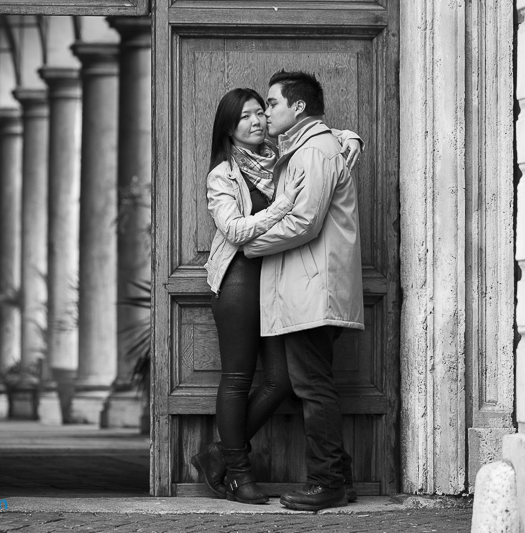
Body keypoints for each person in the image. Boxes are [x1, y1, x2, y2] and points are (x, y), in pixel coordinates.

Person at [191, 87, 361, 505]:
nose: (256, 121)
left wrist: (351, 135)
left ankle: (218, 454)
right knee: (237, 378)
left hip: (277, 279)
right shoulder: (223, 175)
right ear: (228, 128)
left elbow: (320, 138)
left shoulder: (282, 155)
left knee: (282, 378)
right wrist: (282, 205)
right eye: (245, 117)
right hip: (238, 278)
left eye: (259, 113)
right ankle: (237, 471)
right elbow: (234, 231)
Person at [242, 70, 365, 511]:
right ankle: (340, 478)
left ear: (298, 108)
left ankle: (326, 482)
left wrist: (250, 244)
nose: (266, 110)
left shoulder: (314, 151)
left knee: (313, 388)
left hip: (316, 290)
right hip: (312, 288)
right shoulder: (309, 147)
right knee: (315, 383)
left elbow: (303, 222)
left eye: (272, 103)